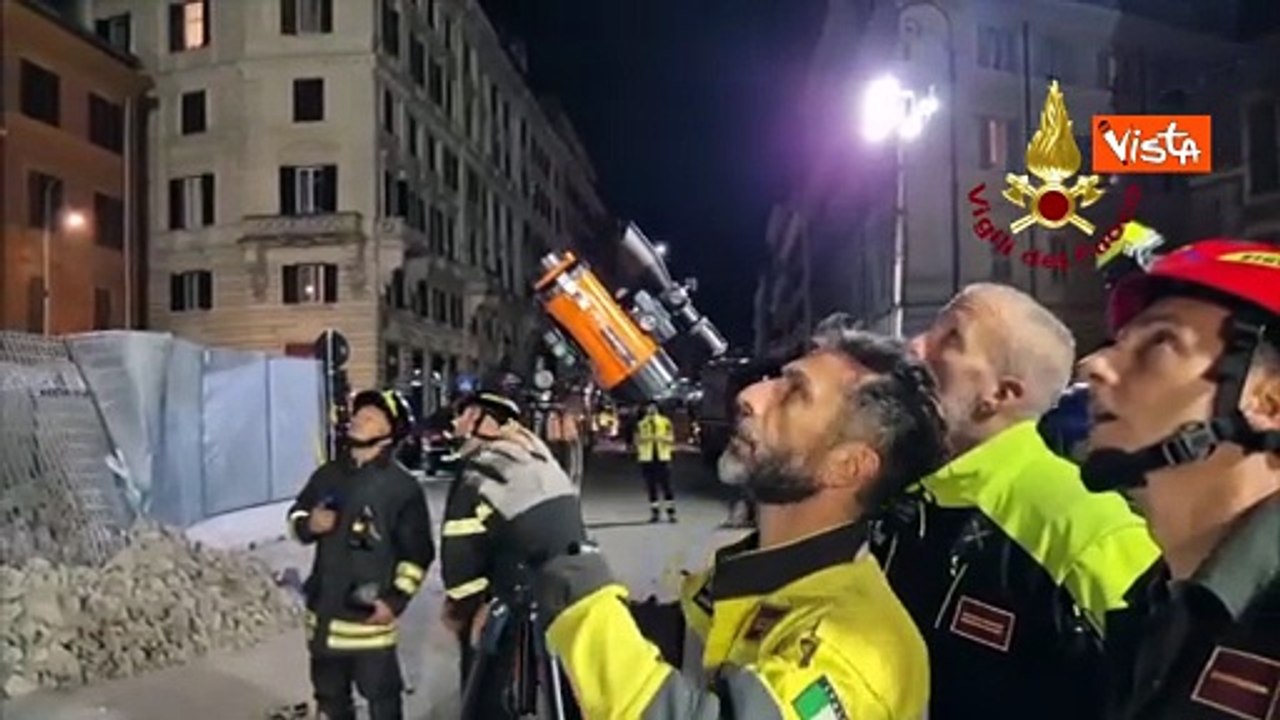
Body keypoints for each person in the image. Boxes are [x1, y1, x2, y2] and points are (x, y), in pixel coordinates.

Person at [464, 318, 948, 718]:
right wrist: (547, 595)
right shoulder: (759, 579)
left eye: (793, 393)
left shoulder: (856, 649)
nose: (752, 396)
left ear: (848, 465)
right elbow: (686, 649)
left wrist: (564, 550)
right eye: (775, 378)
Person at [873, 283, 1161, 720]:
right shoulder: (903, 493)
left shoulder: (1084, 521)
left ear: (1002, 394)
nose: (915, 345)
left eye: (951, 338)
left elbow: (1171, 681)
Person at [1078, 238, 1280, 719]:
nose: (1094, 365)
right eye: (1120, 342)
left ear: (1270, 404)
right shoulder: (1156, 603)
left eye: (1160, 342)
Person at [285, 389, 434, 720]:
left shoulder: (402, 488)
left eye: (369, 418)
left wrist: (394, 601)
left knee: (382, 703)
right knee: (330, 700)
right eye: (357, 415)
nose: (357, 420)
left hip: (368, 623)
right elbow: (295, 518)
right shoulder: (328, 475)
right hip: (323, 617)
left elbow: (418, 554)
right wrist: (309, 523)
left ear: (388, 433)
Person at [437, 379, 576, 719]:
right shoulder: (535, 456)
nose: (455, 425)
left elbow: (461, 549)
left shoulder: (481, 469)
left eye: (462, 415)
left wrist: (464, 607)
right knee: (566, 688)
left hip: (509, 599)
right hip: (563, 589)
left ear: (479, 418)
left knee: (487, 690)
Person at [635, 401, 678, 522]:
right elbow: (637, 441)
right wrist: (647, 439)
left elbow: (671, 438)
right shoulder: (641, 424)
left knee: (667, 486)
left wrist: (660, 438)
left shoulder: (665, 422)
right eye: (648, 407)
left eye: (653, 406)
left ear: (657, 408)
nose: (651, 409)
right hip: (647, 458)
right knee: (651, 486)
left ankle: (671, 513)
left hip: (663, 457)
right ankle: (655, 513)